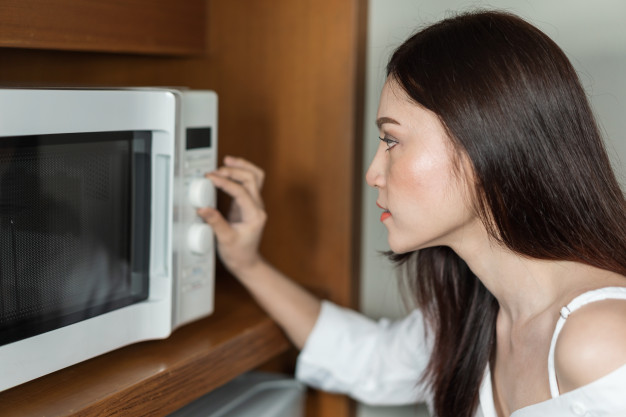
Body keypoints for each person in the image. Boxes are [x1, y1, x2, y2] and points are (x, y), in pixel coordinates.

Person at [198, 10, 626, 417]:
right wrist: (246, 263)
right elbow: (369, 361)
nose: (372, 173)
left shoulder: (601, 340)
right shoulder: (473, 310)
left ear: (484, 143)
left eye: (391, 140)